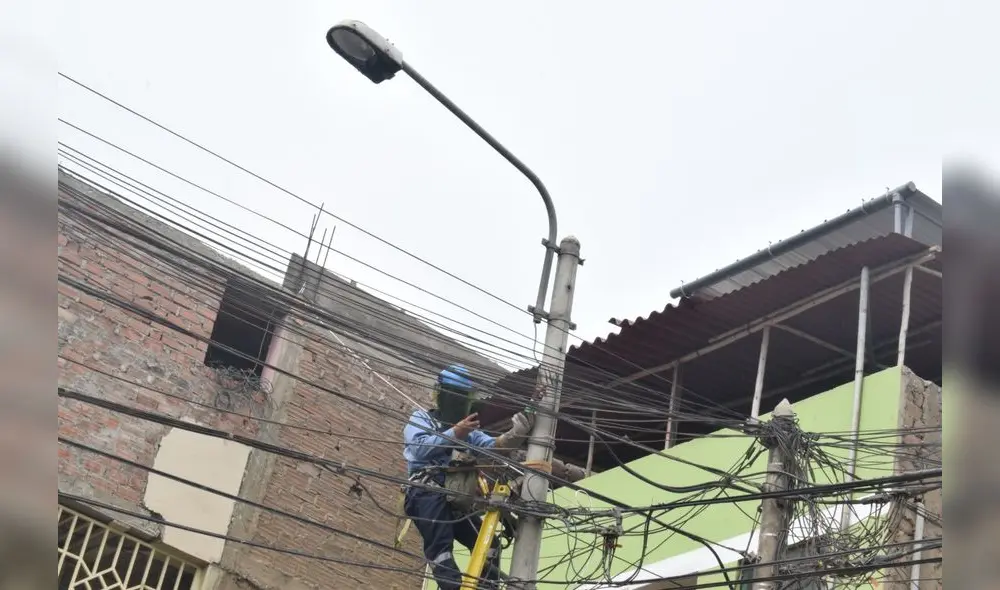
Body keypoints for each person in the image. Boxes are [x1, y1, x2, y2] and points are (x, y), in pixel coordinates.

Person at [402, 364, 532, 590]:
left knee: (489, 544)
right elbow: (419, 449)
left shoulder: (469, 431)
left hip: (454, 497)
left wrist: (518, 430)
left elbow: (493, 448)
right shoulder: (422, 418)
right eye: (455, 397)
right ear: (441, 395)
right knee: (441, 549)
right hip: (425, 493)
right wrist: (455, 433)